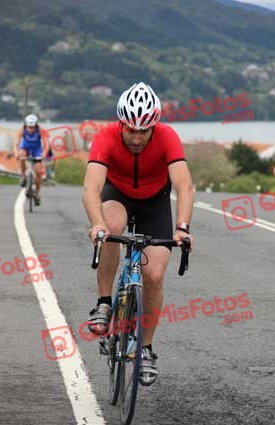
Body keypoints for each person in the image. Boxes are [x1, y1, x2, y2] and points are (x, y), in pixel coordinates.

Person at [82, 82, 194, 386]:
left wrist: (182, 227)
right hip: (117, 194)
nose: (136, 137)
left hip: (155, 201)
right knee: (112, 230)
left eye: (143, 131)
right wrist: (97, 223)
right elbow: (92, 186)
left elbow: (183, 185)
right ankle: (104, 303)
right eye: (130, 129)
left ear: (154, 126)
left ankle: (145, 349)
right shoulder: (106, 137)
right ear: (121, 123)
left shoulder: (168, 137)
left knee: (154, 275)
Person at [13, 114, 47, 206]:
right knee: (22, 155)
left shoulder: (41, 130)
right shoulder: (22, 130)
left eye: (32, 127)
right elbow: (16, 144)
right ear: (26, 125)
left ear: (36, 125)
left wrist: (44, 153)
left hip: (36, 150)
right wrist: (16, 153)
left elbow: (46, 143)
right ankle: (23, 176)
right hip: (25, 148)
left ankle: (37, 193)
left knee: (38, 171)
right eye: (29, 127)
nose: (30, 129)